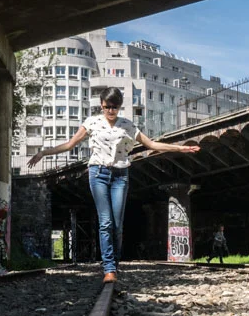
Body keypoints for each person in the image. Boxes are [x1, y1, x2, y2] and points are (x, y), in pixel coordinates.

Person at [27, 88, 200, 283]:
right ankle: (109, 268)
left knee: (117, 225)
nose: (110, 111)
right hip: (98, 173)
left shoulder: (127, 125)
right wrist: (43, 153)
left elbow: (151, 144)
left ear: (119, 107)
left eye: (114, 107)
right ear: (101, 105)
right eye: (106, 107)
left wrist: (180, 148)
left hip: (120, 176)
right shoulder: (92, 122)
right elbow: (69, 144)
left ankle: (114, 265)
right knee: (106, 222)